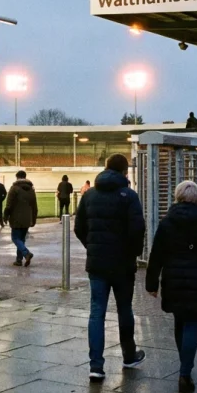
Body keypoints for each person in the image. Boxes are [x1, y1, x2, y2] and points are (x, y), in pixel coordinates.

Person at [146, 181, 197, 393]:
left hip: (173, 279)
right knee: (193, 323)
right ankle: (185, 372)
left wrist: (151, 283)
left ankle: (184, 364)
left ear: (177, 197)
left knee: (179, 321)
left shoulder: (167, 223)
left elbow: (156, 255)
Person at [75, 154, 146, 381]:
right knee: (125, 309)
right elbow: (138, 229)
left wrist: (92, 247)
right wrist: (133, 253)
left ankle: (96, 365)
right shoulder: (129, 196)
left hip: (97, 263)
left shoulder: (89, 195)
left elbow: (79, 227)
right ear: (124, 172)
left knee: (97, 312)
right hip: (123, 264)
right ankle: (128, 355)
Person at [3, 170, 38, 267]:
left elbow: (9, 204)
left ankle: (26, 253)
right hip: (27, 219)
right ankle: (19, 260)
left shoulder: (14, 188)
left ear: (17, 177)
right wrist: (33, 219)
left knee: (15, 238)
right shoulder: (31, 190)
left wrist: (5, 216)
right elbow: (34, 207)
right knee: (21, 239)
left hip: (16, 218)